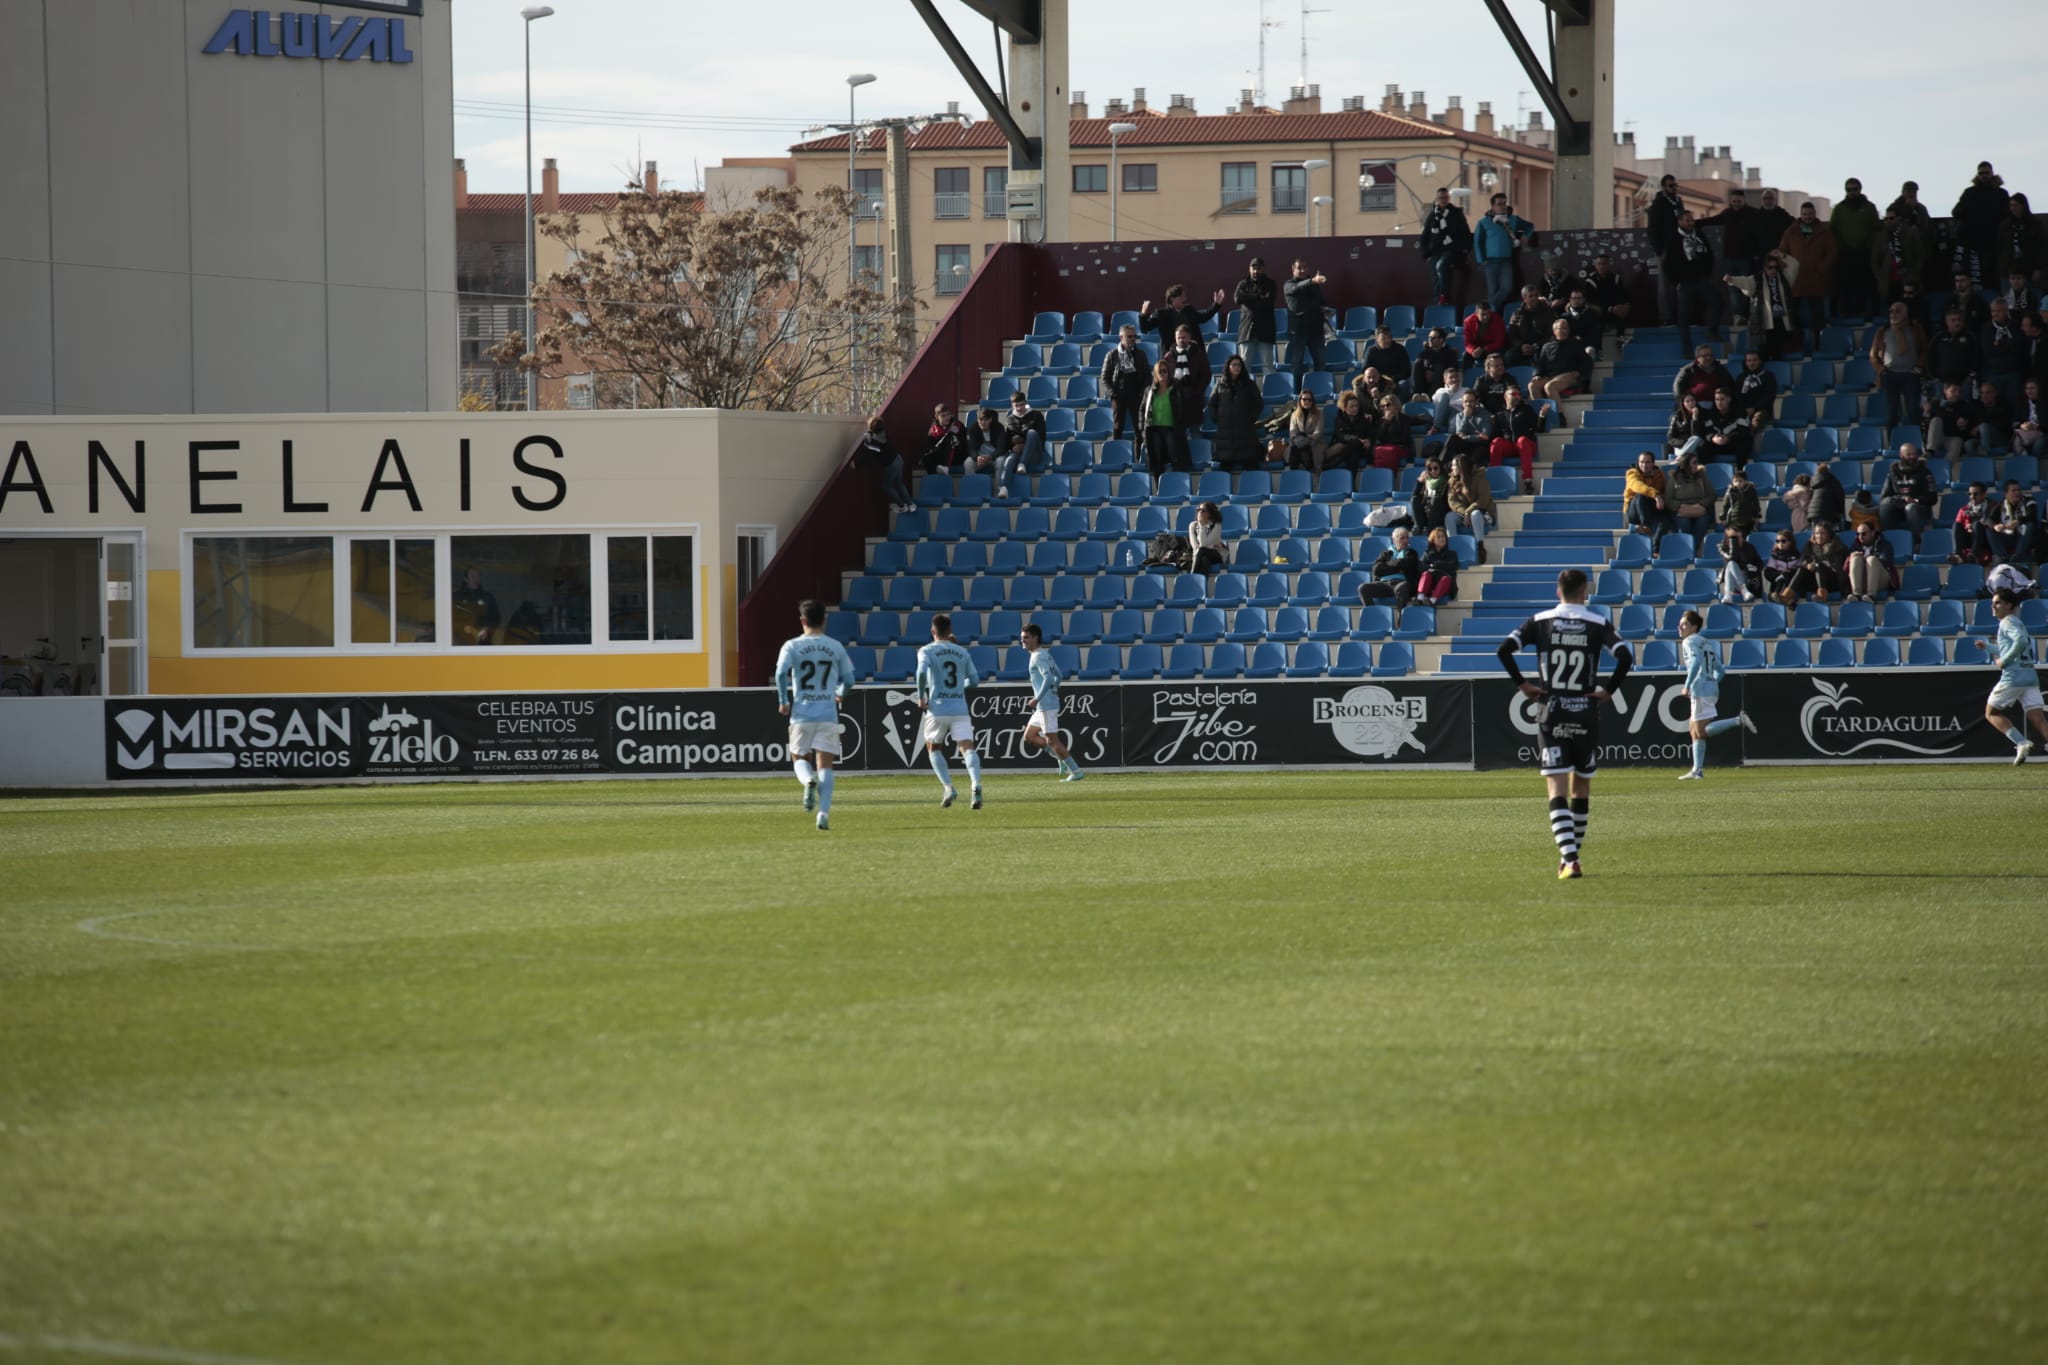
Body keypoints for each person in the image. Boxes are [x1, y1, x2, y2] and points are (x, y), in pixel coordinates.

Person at [1496, 568, 1634, 879]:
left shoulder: (1540, 621)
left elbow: (1504, 651)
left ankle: (1569, 859)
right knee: (1581, 785)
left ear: (1558, 591)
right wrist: (1608, 691)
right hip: (1584, 708)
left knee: (1556, 785)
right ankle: (1571, 857)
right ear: (1584, 592)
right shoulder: (1597, 623)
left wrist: (1523, 685)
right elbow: (1625, 656)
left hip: (1552, 707)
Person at [775, 599, 856, 831]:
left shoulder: (791, 646)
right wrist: (840, 693)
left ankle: (807, 780)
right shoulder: (835, 646)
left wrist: (783, 700)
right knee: (826, 767)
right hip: (827, 713)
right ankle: (823, 814)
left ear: (802, 620)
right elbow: (850, 679)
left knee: (799, 757)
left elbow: (780, 673)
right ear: (824, 619)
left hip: (802, 713)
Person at [1675, 610, 1756, 781]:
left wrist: (1687, 686)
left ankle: (1738, 720)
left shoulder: (1689, 641)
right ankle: (1697, 770)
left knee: (1701, 731)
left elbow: (1696, 663)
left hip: (1700, 689)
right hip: (1709, 688)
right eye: (1680, 624)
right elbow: (1720, 671)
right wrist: (1711, 683)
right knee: (1693, 730)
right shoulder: (1706, 643)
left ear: (1694, 627)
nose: (1680, 627)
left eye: (1684, 624)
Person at [916, 614, 983, 809]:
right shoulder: (961, 652)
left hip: (937, 708)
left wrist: (921, 696)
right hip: (959, 708)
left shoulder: (926, 650)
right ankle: (976, 784)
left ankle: (949, 787)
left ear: (933, 630)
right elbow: (975, 681)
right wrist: (959, 688)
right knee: (967, 748)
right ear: (950, 629)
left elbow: (921, 673)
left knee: (933, 748)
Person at [1979, 588, 2048, 763]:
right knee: (2037, 718)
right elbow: (2013, 647)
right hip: (2029, 676)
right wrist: (1988, 647)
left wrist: (2004, 661)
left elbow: (2021, 642)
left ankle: (2021, 742)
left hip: (2014, 676)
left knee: (1991, 712)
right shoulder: (2017, 622)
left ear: (2008, 605)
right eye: (1992, 603)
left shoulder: (2007, 622)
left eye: (1997, 603)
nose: (1993, 607)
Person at [1020, 622, 1083, 780]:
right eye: (1022, 638)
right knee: (1029, 737)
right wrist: (1054, 690)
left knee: (1052, 740)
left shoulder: (1037, 657)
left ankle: (1076, 771)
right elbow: (1059, 676)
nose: (1023, 641)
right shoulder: (1044, 654)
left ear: (1035, 638)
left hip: (1045, 705)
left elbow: (1048, 677)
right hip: (1045, 704)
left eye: (1026, 638)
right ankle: (1058, 758)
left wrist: (1037, 698)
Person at [1777, 201, 1837, 352]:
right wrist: (1787, 269)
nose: (1807, 217)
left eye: (1810, 214)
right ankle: (1796, 345)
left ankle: (1820, 346)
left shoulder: (1824, 232)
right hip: (1796, 282)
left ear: (1814, 214)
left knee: (1818, 316)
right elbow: (1782, 252)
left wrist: (1821, 269)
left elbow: (1832, 253)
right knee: (1793, 316)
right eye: (1804, 214)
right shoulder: (1790, 232)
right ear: (1800, 215)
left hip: (1816, 281)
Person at [1868, 301, 1931, 444]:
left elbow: (1924, 350)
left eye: (1897, 311)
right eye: (1891, 311)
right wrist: (1881, 370)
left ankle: (1918, 442)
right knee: (1891, 413)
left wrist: (1919, 366)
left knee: (1913, 410)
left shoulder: (1915, 329)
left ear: (1905, 314)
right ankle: (1893, 442)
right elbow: (1873, 355)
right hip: (1890, 375)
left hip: (1910, 374)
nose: (1893, 314)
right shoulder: (1883, 331)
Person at [1723, 250, 1801, 360]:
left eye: (1776, 267)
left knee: (1778, 355)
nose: (1773, 270)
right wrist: (1732, 280)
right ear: (1764, 267)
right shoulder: (1757, 279)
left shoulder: (1784, 279)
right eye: (1770, 267)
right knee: (1763, 355)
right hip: (1764, 324)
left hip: (1781, 323)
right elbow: (1745, 282)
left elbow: (1795, 266)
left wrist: (1782, 256)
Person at [1828, 177, 1882, 318]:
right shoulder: (1839, 208)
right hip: (1845, 252)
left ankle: (1863, 311)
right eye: (1848, 189)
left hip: (1864, 252)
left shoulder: (1869, 207)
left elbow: (1876, 228)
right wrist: (1841, 246)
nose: (1851, 192)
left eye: (1854, 189)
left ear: (1860, 189)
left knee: (1863, 284)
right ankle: (1845, 312)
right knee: (1845, 284)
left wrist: (1868, 245)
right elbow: (1833, 229)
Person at [1952, 162, 2010, 287]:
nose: (1984, 176)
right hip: (1974, 243)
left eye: (1986, 173)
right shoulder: (1969, 193)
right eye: (1981, 173)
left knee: (1994, 275)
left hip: (1996, 242)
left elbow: (2008, 216)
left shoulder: (2001, 194)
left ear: (1992, 174)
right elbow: (1956, 212)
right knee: (1976, 277)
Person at [1205, 355, 1266, 472]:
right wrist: (1217, 418)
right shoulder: (1220, 384)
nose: (1236, 367)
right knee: (1224, 470)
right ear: (1228, 367)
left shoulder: (1249, 384)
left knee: (1251, 467)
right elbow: (1212, 404)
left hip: (1245, 432)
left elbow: (1258, 403)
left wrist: (1251, 418)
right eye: (1233, 365)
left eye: (1239, 365)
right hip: (1226, 434)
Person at [1475, 195, 1534, 313]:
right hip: (1490, 261)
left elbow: (1530, 226)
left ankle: (1486, 310)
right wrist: (1481, 260)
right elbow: (1478, 241)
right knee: (1493, 290)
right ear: (1493, 206)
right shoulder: (1483, 222)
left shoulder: (1513, 219)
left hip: (1506, 261)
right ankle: (1492, 317)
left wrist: (1526, 236)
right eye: (1499, 204)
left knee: (1507, 288)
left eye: (1504, 203)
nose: (1503, 206)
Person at [1138, 359, 1191, 484]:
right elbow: (1142, 410)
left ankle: (1178, 485)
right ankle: (1160, 487)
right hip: (1153, 429)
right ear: (1155, 374)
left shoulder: (1176, 389)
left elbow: (1184, 408)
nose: (1162, 374)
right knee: (1157, 459)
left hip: (1171, 429)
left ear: (1169, 373)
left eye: (1165, 371)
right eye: (1159, 371)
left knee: (1175, 458)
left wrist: (1182, 425)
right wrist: (1142, 427)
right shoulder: (1149, 391)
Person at [1420, 186, 1472, 305]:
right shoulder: (1433, 215)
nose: (1443, 200)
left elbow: (1465, 232)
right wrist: (1425, 254)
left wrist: (1465, 250)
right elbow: (1425, 235)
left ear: (1448, 199)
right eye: (1441, 198)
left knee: (1441, 266)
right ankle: (1438, 303)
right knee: (1436, 280)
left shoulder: (1456, 213)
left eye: (1445, 197)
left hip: (1452, 250)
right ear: (1437, 199)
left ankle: (1445, 298)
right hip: (1435, 252)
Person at [1099, 323, 1151, 441]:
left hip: (1136, 395)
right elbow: (1104, 378)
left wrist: (1143, 392)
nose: (1133, 339)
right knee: (1118, 427)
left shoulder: (1140, 354)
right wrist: (1113, 393)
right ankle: (1116, 455)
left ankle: (1139, 457)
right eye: (1129, 336)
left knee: (1139, 428)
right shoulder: (1112, 355)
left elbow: (1148, 376)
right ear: (1121, 337)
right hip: (1119, 395)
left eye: (1134, 336)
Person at [1878, 441, 1939, 542]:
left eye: (1914, 454)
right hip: (1898, 508)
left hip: (1919, 508)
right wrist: (1900, 499)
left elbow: (1932, 497)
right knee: (1885, 505)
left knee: (1910, 507)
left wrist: (1915, 500)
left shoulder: (1924, 472)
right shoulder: (1893, 472)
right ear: (1901, 455)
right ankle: (1889, 540)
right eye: (1909, 454)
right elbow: (1884, 497)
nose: (1912, 457)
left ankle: (1917, 542)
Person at [1282, 259, 1330, 387]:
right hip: (1298, 331)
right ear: (1293, 269)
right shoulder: (1288, 284)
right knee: (1297, 362)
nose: (1302, 270)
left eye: (1305, 267)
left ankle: (1321, 388)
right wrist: (1312, 281)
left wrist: (1325, 309)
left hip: (1316, 330)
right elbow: (1297, 288)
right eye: (1299, 268)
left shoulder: (1314, 285)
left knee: (1320, 361)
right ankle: (1296, 392)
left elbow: (1321, 302)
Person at [1646, 173, 1686, 324]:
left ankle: (1682, 315)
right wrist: (1659, 250)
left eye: (1675, 185)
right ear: (1663, 187)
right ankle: (1665, 317)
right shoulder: (1658, 205)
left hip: (1680, 249)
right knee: (1664, 285)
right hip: (1665, 250)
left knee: (1681, 283)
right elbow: (1652, 230)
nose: (1674, 188)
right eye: (1671, 185)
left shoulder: (1678, 203)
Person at [856, 415, 915, 513]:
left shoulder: (874, 441)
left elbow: (869, 453)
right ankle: (910, 504)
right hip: (898, 459)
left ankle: (901, 505)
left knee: (886, 486)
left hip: (890, 464)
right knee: (898, 482)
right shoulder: (885, 434)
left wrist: (857, 463)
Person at [1138, 282, 1224, 349]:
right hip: (1172, 355)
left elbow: (1204, 317)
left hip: (1192, 352)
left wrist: (1216, 305)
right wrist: (1143, 313)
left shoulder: (1189, 310)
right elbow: (1145, 328)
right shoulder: (1162, 314)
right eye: (1182, 296)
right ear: (1172, 298)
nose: (1185, 299)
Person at [1491, 384, 1542, 494]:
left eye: (1518, 394)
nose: (1517, 397)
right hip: (1511, 447)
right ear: (1505, 397)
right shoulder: (1500, 414)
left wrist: (1542, 417)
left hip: (1527, 445)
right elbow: (1495, 434)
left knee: (1522, 440)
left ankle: (1528, 481)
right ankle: (1494, 477)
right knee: (1496, 442)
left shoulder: (1526, 409)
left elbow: (1539, 429)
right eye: (1513, 394)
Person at [1446, 450, 1495, 563]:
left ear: (1461, 467)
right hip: (1464, 514)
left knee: (1475, 514)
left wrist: (1468, 512)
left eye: (1454, 466)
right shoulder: (1452, 481)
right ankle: (1454, 546)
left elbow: (1483, 499)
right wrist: (1465, 513)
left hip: (1483, 513)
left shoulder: (1480, 479)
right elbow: (1452, 501)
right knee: (1449, 517)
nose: (1452, 468)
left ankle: (1480, 546)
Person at [995, 392, 1047, 497]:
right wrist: (1013, 446)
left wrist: (1023, 443)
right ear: (1012, 405)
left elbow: (1041, 437)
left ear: (1026, 403)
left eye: (1021, 404)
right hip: (1018, 452)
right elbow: (1007, 442)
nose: (1019, 408)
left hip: (1034, 453)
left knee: (1032, 433)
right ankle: (1003, 488)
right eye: (1016, 405)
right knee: (1009, 459)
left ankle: (1022, 463)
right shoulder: (1010, 419)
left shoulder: (1037, 415)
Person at [1782, 521, 1848, 604]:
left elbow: (1837, 567)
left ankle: (1822, 595)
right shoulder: (1810, 545)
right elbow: (1803, 560)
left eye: (1822, 533)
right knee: (1801, 569)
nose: (1819, 536)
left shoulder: (1838, 547)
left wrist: (1816, 564)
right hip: (1814, 580)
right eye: (1817, 533)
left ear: (1829, 534)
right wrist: (1808, 565)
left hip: (1833, 581)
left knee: (1819, 566)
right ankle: (1786, 595)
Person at [1533, 316, 1589, 413]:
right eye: (1561, 328)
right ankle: (1541, 414)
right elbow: (1541, 363)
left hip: (1568, 375)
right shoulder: (1546, 346)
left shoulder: (1575, 344)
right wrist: (1537, 374)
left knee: (1549, 386)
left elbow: (1586, 361)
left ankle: (1559, 414)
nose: (1564, 331)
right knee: (1532, 385)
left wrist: (1579, 372)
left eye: (1566, 328)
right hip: (1550, 375)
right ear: (1554, 331)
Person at [1232, 257, 1279, 372]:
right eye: (1254, 268)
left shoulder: (1270, 284)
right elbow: (1237, 298)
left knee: (1268, 365)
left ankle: (1270, 390)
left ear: (1263, 269)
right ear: (1249, 269)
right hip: (1247, 331)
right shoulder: (1243, 283)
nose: (1256, 271)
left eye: (1259, 268)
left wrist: (1248, 300)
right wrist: (1257, 297)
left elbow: (1267, 302)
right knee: (1244, 366)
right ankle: (1243, 390)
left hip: (1265, 331)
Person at [1358, 526, 1422, 609]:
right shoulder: (1385, 553)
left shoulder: (1412, 553)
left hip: (1401, 583)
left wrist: (1387, 564)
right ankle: (1373, 614)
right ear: (1394, 540)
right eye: (1402, 538)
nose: (1405, 541)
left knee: (1401, 589)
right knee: (1363, 588)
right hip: (1384, 583)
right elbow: (1376, 569)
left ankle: (1401, 618)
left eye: (1407, 538)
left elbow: (1407, 565)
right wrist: (1398, 568)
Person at [1665, 449, 1715, 550]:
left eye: (1697, 462)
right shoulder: (1674, 477)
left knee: (1703, 521)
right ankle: (1686, 548)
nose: (1697, 465)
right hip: (1681, 509)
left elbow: (1711, 495)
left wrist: (1702, 504)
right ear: (1686, 464)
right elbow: (1668, 498)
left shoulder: (1702, 476)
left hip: (1699, 508)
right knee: (1684, 522)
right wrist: (1679, 506)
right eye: (1694, 462)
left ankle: (1692, 549)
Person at [1623, 449, 1677, 544]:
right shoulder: (1632, 473)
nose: (1644, 465)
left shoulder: (1659, 475)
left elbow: (1666, 491)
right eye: (1641, 462)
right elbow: (1637, 486)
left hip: (1651, 509)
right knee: (1641, 496)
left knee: (1664, 523)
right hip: (1634, 511)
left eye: (1647, 462)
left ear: (1653, 463)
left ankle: (1656, 550)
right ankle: (1645, 526)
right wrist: (1655, 495)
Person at [1982, 481, 2039, 566]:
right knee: (1989, 530)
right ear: (2006, 494)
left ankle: (2018, 556)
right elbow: (1987, 520)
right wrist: (1996, 526)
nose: (2017, 492)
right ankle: (2002, 557)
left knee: (2030, 525)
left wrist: (2017, 522)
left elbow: (2031, 515)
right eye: (2013, 490)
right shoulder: (2000, 505)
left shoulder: (2028, 501)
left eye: (2018, 490)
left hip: (2024, 538)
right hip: (2009, 536)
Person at [1166, 322, 1210, 426]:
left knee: (1195, 430)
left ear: (1189, 337)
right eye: (1178, 338)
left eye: (1184, 337)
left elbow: (1206, 375)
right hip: (1175, 401)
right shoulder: (1169, 356)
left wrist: (1197, 392)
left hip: (1194, 399)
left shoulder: (1199, 354)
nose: (1181, 340)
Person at [1844, 520, 1896, 603]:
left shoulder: (1884, 544)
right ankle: (1856, 594)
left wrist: (1866, 558)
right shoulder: (1855, 545)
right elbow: (1845, 565)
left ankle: (1871, 595)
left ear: (1872, 533)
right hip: (1863, 580)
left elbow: (1886, 561)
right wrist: (1851, 556)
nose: (1860, 537)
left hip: (1880, 579)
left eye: (1864, 534)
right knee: (1855, 558)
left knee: (1871, 559)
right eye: (1858, 534)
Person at [1585, 252, 1632, 342]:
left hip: (1614, 309)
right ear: (1595, 265)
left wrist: (1626, 305)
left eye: (1604, 264)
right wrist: (1610, 308)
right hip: (1600, 310)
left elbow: (1622, 295)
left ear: (1609, 265)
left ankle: (1621, 340)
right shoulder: (1590, 280)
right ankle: (1597, 346)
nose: (1601, 266)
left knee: (1622, 312)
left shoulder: (1616, 278)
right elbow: (1592, 300)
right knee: (1595, 312)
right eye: (1599, 264)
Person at [1713, 522, 1765, 604]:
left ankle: (1728, 595)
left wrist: (1753, 567)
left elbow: (1760, 564)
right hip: (1733, 583)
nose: (1736, 540)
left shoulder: (1749, 547)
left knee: (1731, 565)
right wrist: (1733, 544)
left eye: (1737, 537)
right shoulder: (1724, 547)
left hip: (1748, 580)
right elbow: (1732, 558)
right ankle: (1742, 590)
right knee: (1731, 564)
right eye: (1732, 538)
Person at [1704, 387, 1755, 470]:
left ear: (1729, 399)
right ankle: (1706, 474)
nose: (1719, 402)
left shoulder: (1740, 412)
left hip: (1733, 443)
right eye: (1717, 399)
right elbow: (1706, 431)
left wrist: (1729, 438)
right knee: (1703, 446)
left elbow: (1744, 431)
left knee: (1743, 442)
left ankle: (1740, 474)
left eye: (1722, 399)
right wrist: (1713, 438)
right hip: (1717, 443)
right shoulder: (1711, 414)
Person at [1325, 390, 1373, 472]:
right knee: (1354, 455)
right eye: (1352, 406)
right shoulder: (1339, 417)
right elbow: (1339, 435)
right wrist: (1356, 439)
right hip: (1348, 445)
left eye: (1356, 406)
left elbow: (1369, 434)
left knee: (1357, 444)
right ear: (1345, 407)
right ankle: (1351, 482)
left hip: (1360, 447)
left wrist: (1368, 440)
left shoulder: (1363, 418)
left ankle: (1334, 462)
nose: (1355, 408)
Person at [1507, 284, 1556, 366]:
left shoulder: (1547, 311)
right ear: (1524, 298)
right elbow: (1512, 334)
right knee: (1509, 356)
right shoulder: (1517, 314)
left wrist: (1536, 345)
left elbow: (1551, 333)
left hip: (1541, 345)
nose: (1534, 298)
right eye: (1530, 296)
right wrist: (1521, 345)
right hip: (1523, 346)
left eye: (1536, 295)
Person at [452, 567, 501, 646]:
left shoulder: (487, 597)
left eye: (478, 576)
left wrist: (487, 630)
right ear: (465, 579)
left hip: (482, 642)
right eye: (473, 576)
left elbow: (495, 619)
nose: (476, 579)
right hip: (460, 642)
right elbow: (449, 619)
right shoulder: (455, 597)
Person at [1732, 348, 1779, 428]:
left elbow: (1769, 397)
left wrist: (1754, 409)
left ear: (1760, 361)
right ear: (1745, 362)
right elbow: (1737, 395)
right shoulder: (1741, 377)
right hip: (1744, 410)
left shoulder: (1769, 376)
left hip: (1763, 410)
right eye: (1749, 361)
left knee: (1756, 420)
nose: (1752, 363)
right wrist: (1744, 409)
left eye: (1754, 360)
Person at [920, 403, 971, 475]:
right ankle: (937, 477)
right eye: (943, 416)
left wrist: (954, 435)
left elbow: (964, 445)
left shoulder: (958, 425)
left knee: (950, 436)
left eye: (948, 414)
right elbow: (930, 448)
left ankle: (942, 470)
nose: (947, 418)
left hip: (957, 456)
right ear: (937, 417)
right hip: (941, 456)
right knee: (926, 458)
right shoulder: (933, 430)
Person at [1371, 392, 1417, 471]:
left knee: (1390, 451)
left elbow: (1404, 439)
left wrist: (1389, 442)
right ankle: (1380, 475)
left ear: (1395, 405)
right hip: (1385, 447)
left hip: (1401, 447)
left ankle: (1390, 475)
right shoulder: (1382, 421)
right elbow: (1379, 437)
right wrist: (1386, 422)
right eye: (1383, 406)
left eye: (1388, 405)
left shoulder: (1403, 419)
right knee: (1378, 450)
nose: (1386, 408)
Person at [1413, 326, 1461, 400]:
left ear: (1441, 340)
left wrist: (1433, 372)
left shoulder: (1450, 353)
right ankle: (1418, 395)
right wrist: (1427, 371)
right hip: (1425, 381)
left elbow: (1453, 369)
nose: (1430, 340)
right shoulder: (1424, 352)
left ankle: (1429, 397)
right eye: (1429, 337)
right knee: (1417, 364)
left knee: (1440, 368)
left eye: (1433, 337)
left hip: (1440, 383)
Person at [1363, 325, 1412, 395]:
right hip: (1376, 380)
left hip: (1395, 380)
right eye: (1383, 339)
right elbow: (1365, 370)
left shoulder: (1400, 349)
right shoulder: (1371, 351)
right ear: (1377, 339)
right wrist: (1378, 379)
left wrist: (1391, 379)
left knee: (1403, 384)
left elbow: (1406, 371)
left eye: (1389, 338)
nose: (1387, 341)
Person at [1416, 526, 1459, 604]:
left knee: (1445, 578)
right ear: (1433, 540)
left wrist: (1434, 565)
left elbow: (1452, 567)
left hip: (1446, 584)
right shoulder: (1427, 553)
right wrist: (1433, 567)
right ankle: (1420, 598)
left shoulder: (1452, 554)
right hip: (1431, 583)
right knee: (1425, 574)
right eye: (1438, 537)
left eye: (1443, 537)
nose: (1442, 539)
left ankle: (1432, 601)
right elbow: (1421, 567)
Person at [1665, 392, 1712, 460]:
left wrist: (1695, 418)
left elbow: (1696, 434)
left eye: (1692, 400)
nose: (1691, 403)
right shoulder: (1677, 416)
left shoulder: (1705, 414)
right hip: (1681, 445)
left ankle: (1681, 458)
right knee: (1691, 451)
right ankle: (1683, 456)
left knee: (1696, 438)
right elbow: (1670, 437)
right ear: (1683, 404)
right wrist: (1683, 442)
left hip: (1698, 444)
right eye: (1687, 401)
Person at [1720, 463, 1761, 539]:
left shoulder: (1751, 491)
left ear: (1745, 481)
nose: (1738, 483)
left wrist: (1757, 516)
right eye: (1735, 481)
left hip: (1747, 520)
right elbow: (1725, 505)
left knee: (1746, 538)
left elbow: (1755, 504)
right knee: (1734, 538)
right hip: (1734, 520)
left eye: (1740, 481)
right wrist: (1723, 517)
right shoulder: (1730, 492)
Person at [1410, 455, 1450, 532]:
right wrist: (1419, 482)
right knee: (1414, 499)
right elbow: (1414, 497)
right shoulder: (1426, 480)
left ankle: (1430, 530)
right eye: (1429, 469)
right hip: (1426, 512)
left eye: (1435, 468)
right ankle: (1419, 528)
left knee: (1436, 500)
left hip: (1439, 514)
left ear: (1440, 468)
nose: (1433, 471)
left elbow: (1446, 501)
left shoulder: (1446, 480)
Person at [1189, 499, 1229, 573]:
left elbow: (1203, 544)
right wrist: (1212, 545)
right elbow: (1195, 546)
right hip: (1200, 554)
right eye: (1198, 510)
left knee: (1201, 550)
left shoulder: (1216, 525)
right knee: (1204, 560)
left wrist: (1202, 525)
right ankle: (1201, 583)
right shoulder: (1193, 525)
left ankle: (1192, 576)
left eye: (1203, 510)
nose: (1200, 512)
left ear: (1209, 513)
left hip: (1217, 554)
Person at [1462, 298, 1507, 364]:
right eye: (1482, 314)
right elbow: (1467, 343)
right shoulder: (1468, 322)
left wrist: (1484, 348)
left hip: (1494, 349)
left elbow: (1499, 342)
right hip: (1477, 349)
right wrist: (1473, 350)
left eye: (1488, 314)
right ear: (1476, 313)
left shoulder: (1498, 320)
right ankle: (1467, 374)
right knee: (1466, 356)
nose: (1486, 317)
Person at [1762, 528, 1802, 600]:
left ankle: (1778, 596)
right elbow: (1768, 572)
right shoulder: (1775, 556)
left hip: (1790, 582)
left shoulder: (1797, 555)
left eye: (1783, 541)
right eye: (1777, 541)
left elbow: (1799, 569)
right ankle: (1778, 596)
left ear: (1790, 541)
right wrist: (1780, 573)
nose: (1780, 544)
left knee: (1788, 574)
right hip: (1778, 580)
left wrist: (1789, 571)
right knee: (1776, 574)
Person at [1808, 460, 1846, 533]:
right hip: (1828, 513)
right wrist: (1840, 512)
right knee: (1827, 536)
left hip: (1813, 515)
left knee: (1817, 536)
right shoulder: (1833, 481)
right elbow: (1840, 497)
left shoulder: (1813, 481)